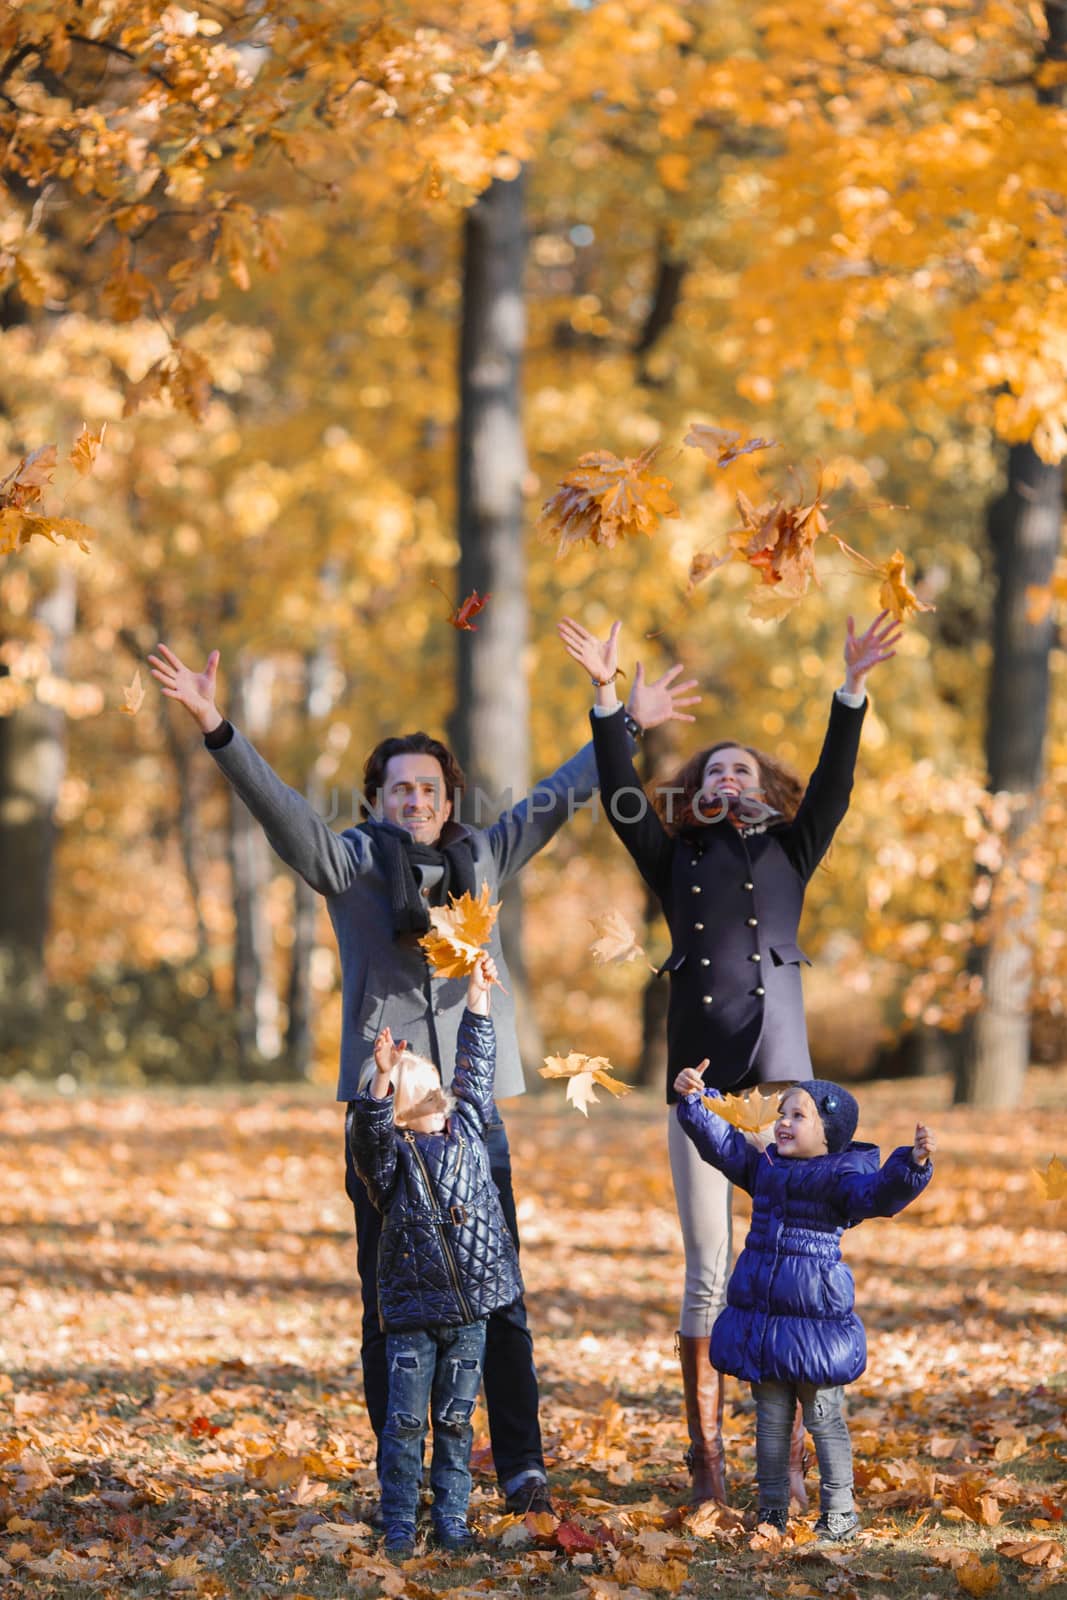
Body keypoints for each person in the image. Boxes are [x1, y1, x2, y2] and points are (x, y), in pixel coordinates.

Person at [147, 640, 691, 1515]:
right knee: (388, 1297)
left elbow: (558, 796)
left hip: (473, 1111)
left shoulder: (485, 858)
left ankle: (520, 1465)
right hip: (388, 1115)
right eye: (400, 788)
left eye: (429, 790)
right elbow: (285, 816)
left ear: (449, 801)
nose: (416, 800)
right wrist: (216, 725)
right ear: (377, 800)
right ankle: (398, 1471)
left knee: (499, 1288)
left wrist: (623, 716)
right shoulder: (352, 864)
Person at [557, 610, 901, 1508]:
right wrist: (605, 699)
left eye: (742, 768)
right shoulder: (672, 857)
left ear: (765, 789)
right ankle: (706, 1458)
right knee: (709, 1263)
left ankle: (780, 1455)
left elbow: (835, 780)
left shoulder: (795, 844)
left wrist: (851, 687)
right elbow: (617, 793)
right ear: (697, 792)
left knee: (794, 1262)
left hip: (784, 1086)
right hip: (700, 1089)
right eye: (714, 769)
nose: (727, 777)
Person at [673, 1068, 935, 1538]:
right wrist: (697, 1104)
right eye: (782, 1114)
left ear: (829, 1134)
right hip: (766, 1320)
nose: (784, 1123)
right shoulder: (766, 1167)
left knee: (822, 1416)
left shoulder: (842, 1177)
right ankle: (772, 1509)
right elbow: (725, 1147)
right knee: (771, 1421)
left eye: (799, 1115)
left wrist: (910, 1168)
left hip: (814, 1320)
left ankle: (839, 1510)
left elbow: (877, 1195)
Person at [349, 953, 520, 1560]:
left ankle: (451, 1517)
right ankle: (398, 1519)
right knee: (403, 1424)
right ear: (400, 1108)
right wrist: (380, 1079)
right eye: (416, 1083)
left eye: (431, 1079)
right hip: (413, 1319)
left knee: (454, 1421)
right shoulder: (390, 1161)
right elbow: (366, 1137)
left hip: (468, 1314)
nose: (437, 1087)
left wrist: (477, 1000)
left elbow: (477, 1065)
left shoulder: (470, 1126)